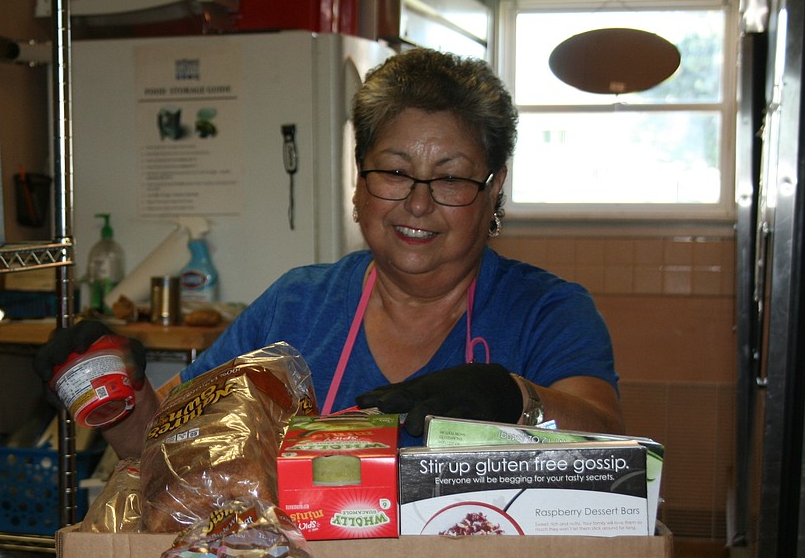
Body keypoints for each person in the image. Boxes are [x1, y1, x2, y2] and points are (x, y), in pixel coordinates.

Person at [35, 47, 624, 459]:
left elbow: (609, 442)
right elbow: (157, 441)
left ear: (494, 190)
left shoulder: (546, 310)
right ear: (359, 184)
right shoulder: (298, 306)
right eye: (394, 172)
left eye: (451, 178)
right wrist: (116, 392)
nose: (417, 204)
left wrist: (515, 399)